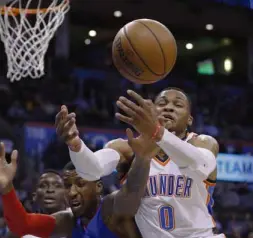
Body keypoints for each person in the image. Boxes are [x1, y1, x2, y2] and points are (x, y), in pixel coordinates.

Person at [56, 88, 225, 238]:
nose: (168, 107)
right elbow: (91, 170)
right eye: (162, 103)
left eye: (178, 105)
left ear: (189, 119)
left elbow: (201, 165)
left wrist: (158, 133)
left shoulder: (202, 143)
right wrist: (75, 145)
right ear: (151, 111)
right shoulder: (127, 148)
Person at [0, 125, 157, 238]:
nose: (72, 192)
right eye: (68, 186)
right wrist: (7, 188)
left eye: (81, 184)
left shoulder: (111, 206)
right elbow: (22, 225)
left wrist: (143, 158)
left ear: (98, 187)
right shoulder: (68, 221)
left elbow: (132, 192)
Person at [6, 170, 68, 238]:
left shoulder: (76, 222)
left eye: (57, 186)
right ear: (34, 196)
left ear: (66, 194)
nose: (50, 190)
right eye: (43, 186)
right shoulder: (20, 232)